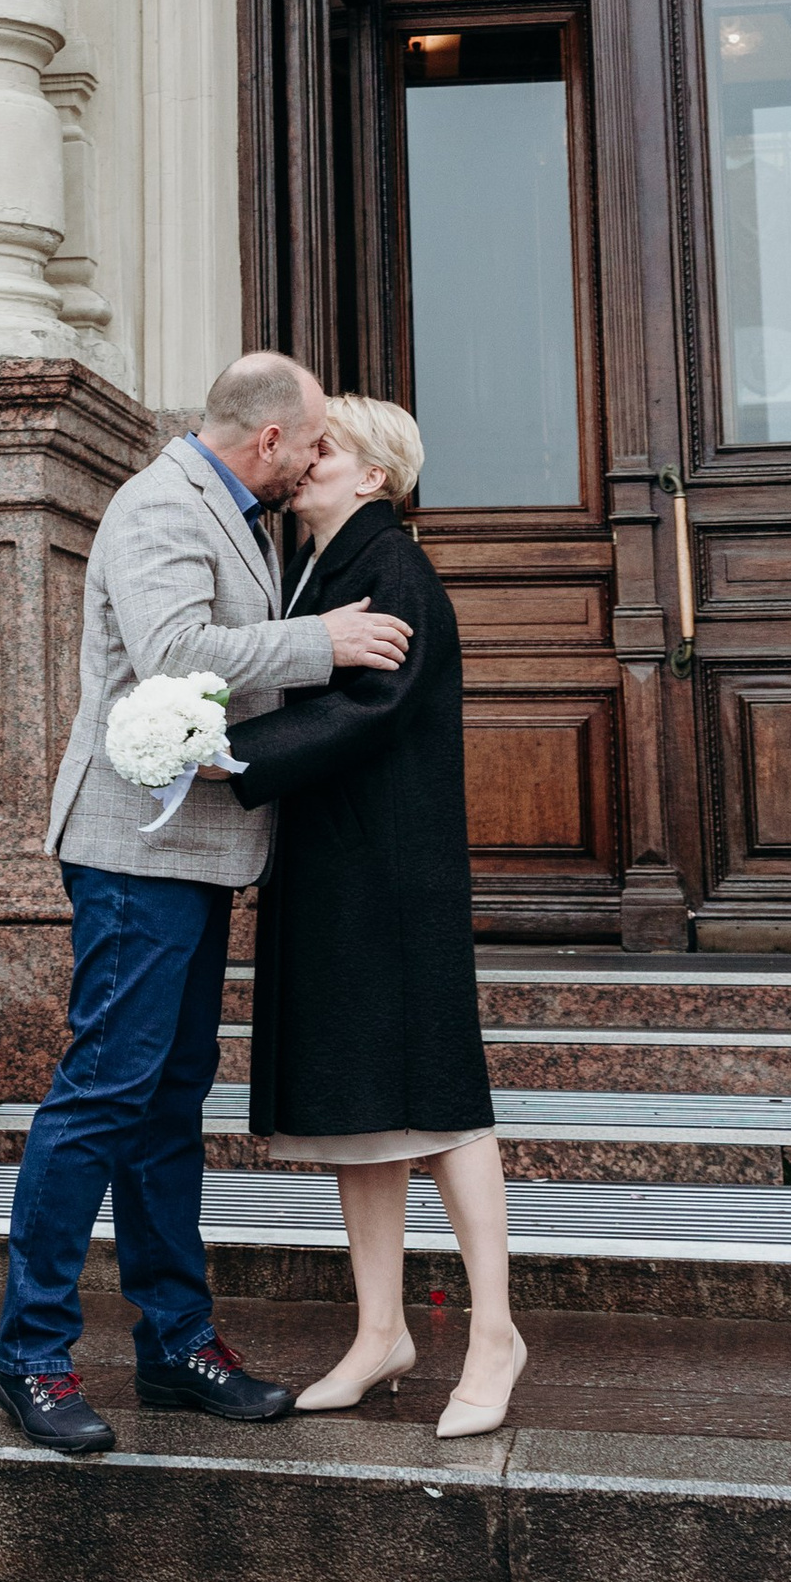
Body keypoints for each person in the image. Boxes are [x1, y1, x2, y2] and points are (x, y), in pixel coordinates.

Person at [0, 352, 412, 1453]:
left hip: (196, 852)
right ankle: (31, 1356)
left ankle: (176, 1343)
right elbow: (173, 651)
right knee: (102, 1093)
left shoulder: (239, 510)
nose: (322, 459)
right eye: (313, 442)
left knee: (166, 1107)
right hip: (134, 852)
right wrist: (324, 642)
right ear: (267, 441)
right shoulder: (156, 506)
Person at [224, 399, 524, 1438]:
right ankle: (380, 1332)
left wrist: (229, 757)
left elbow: (372, 706)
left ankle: (494, 1333)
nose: (307, 460)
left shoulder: (390, 564)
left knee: (439, 1100)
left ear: (374, 478)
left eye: (328, 449)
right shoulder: (311, 562)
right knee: (365, 1114)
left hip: (390, 872)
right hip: (332, 863)